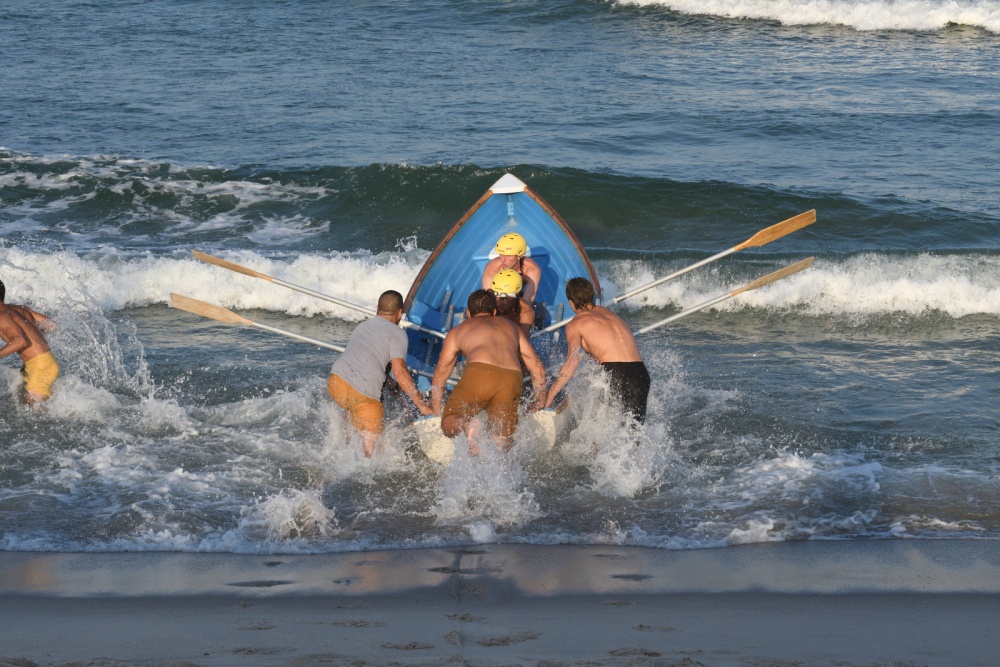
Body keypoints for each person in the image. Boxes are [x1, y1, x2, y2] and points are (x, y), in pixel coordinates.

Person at [430, 289, 546, 454]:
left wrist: (438, 413)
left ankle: (467, 425)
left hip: (481, 374)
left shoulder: (457, 331)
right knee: (502, 437)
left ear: (468, 313)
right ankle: (503, 465)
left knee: (449, 422)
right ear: (494, 311)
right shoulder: (512, 327)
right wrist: (539, 401)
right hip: (512, 377)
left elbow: (439, 377)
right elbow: (538, 369)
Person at [328, 290, 433, 457]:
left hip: (337, 382)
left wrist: (389, 383)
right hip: (364, 395)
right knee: (371, 456)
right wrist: (423, 406)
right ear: (400, 312)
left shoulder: (363, 326)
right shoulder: (397, 333)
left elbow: (364, 358)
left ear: (378, 308)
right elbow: (400, 371)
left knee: (348, 438)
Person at [544, 277, 650, 426]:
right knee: (633, 431)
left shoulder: (576, 323)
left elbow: (572, 361)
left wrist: (551, 393)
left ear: (571, 303)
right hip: (640, 373)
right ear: (591, 296)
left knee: (598, 425)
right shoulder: (612, 316)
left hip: (615, 373)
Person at [0, 280, 58, 405]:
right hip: (41, 362)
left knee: (36, 410)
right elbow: (51, 325)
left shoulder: (1, 316)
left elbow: (20, 341)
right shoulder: (19, 309)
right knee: (31, 405)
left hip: (41, 366)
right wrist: (33, 334)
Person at [481, 232, 541, 333]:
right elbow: (489, 302)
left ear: (519, 255)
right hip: (497, 297)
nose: (503, 260)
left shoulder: (531, 269)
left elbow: (527, 303)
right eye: (501, 254)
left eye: (508, 256)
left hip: (517, 296)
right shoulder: (492, 270)